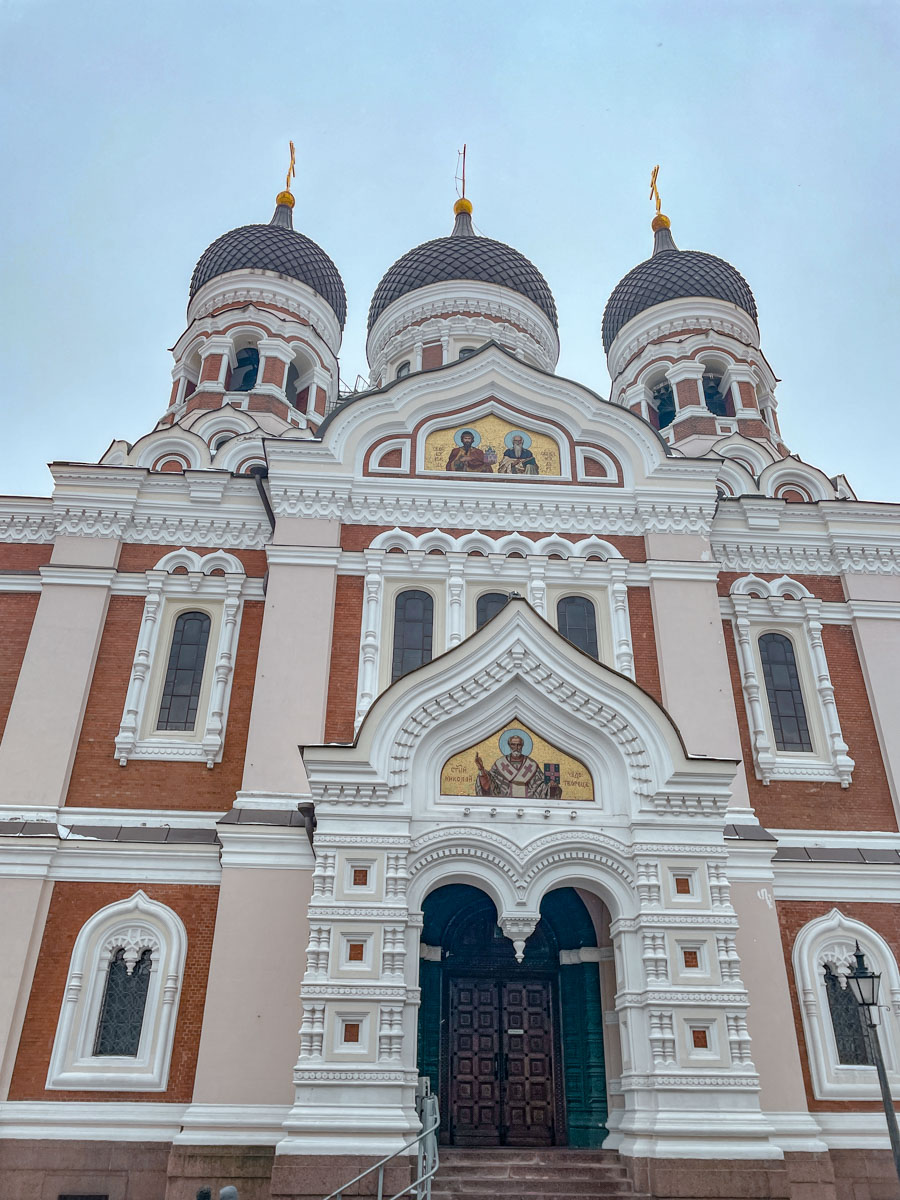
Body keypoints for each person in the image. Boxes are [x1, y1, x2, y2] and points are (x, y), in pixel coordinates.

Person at [475, 734, 550, 798]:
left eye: (519, 745)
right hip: (505, 803)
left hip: (528, 803)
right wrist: (481, 769)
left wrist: (551, 785)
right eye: (513, 744)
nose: (516, 747)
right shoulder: (500, 763)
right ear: (509, 745)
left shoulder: (532, 764)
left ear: (522, 746)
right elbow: (491, 782)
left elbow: (541, 785)